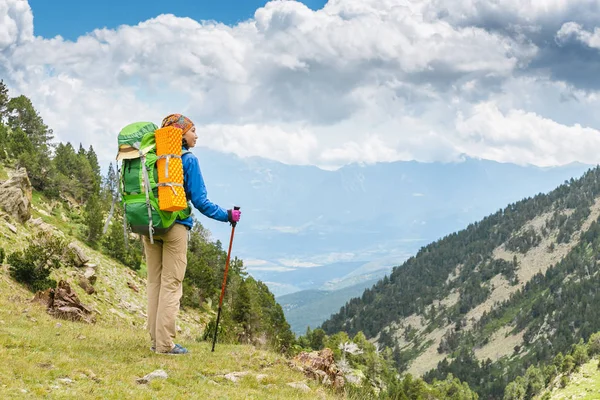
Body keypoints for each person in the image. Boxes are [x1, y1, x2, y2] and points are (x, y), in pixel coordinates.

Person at [142, 113, 241, 355]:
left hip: (149, 224)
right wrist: (227, 215)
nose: (196, 135)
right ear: (180, 134)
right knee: (171, 284)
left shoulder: (152, 157)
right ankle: (165, 345)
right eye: (193, 130)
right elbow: (200, 201)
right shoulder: (188, 160)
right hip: (175, 226)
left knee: (155, 282)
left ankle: (156, 340)